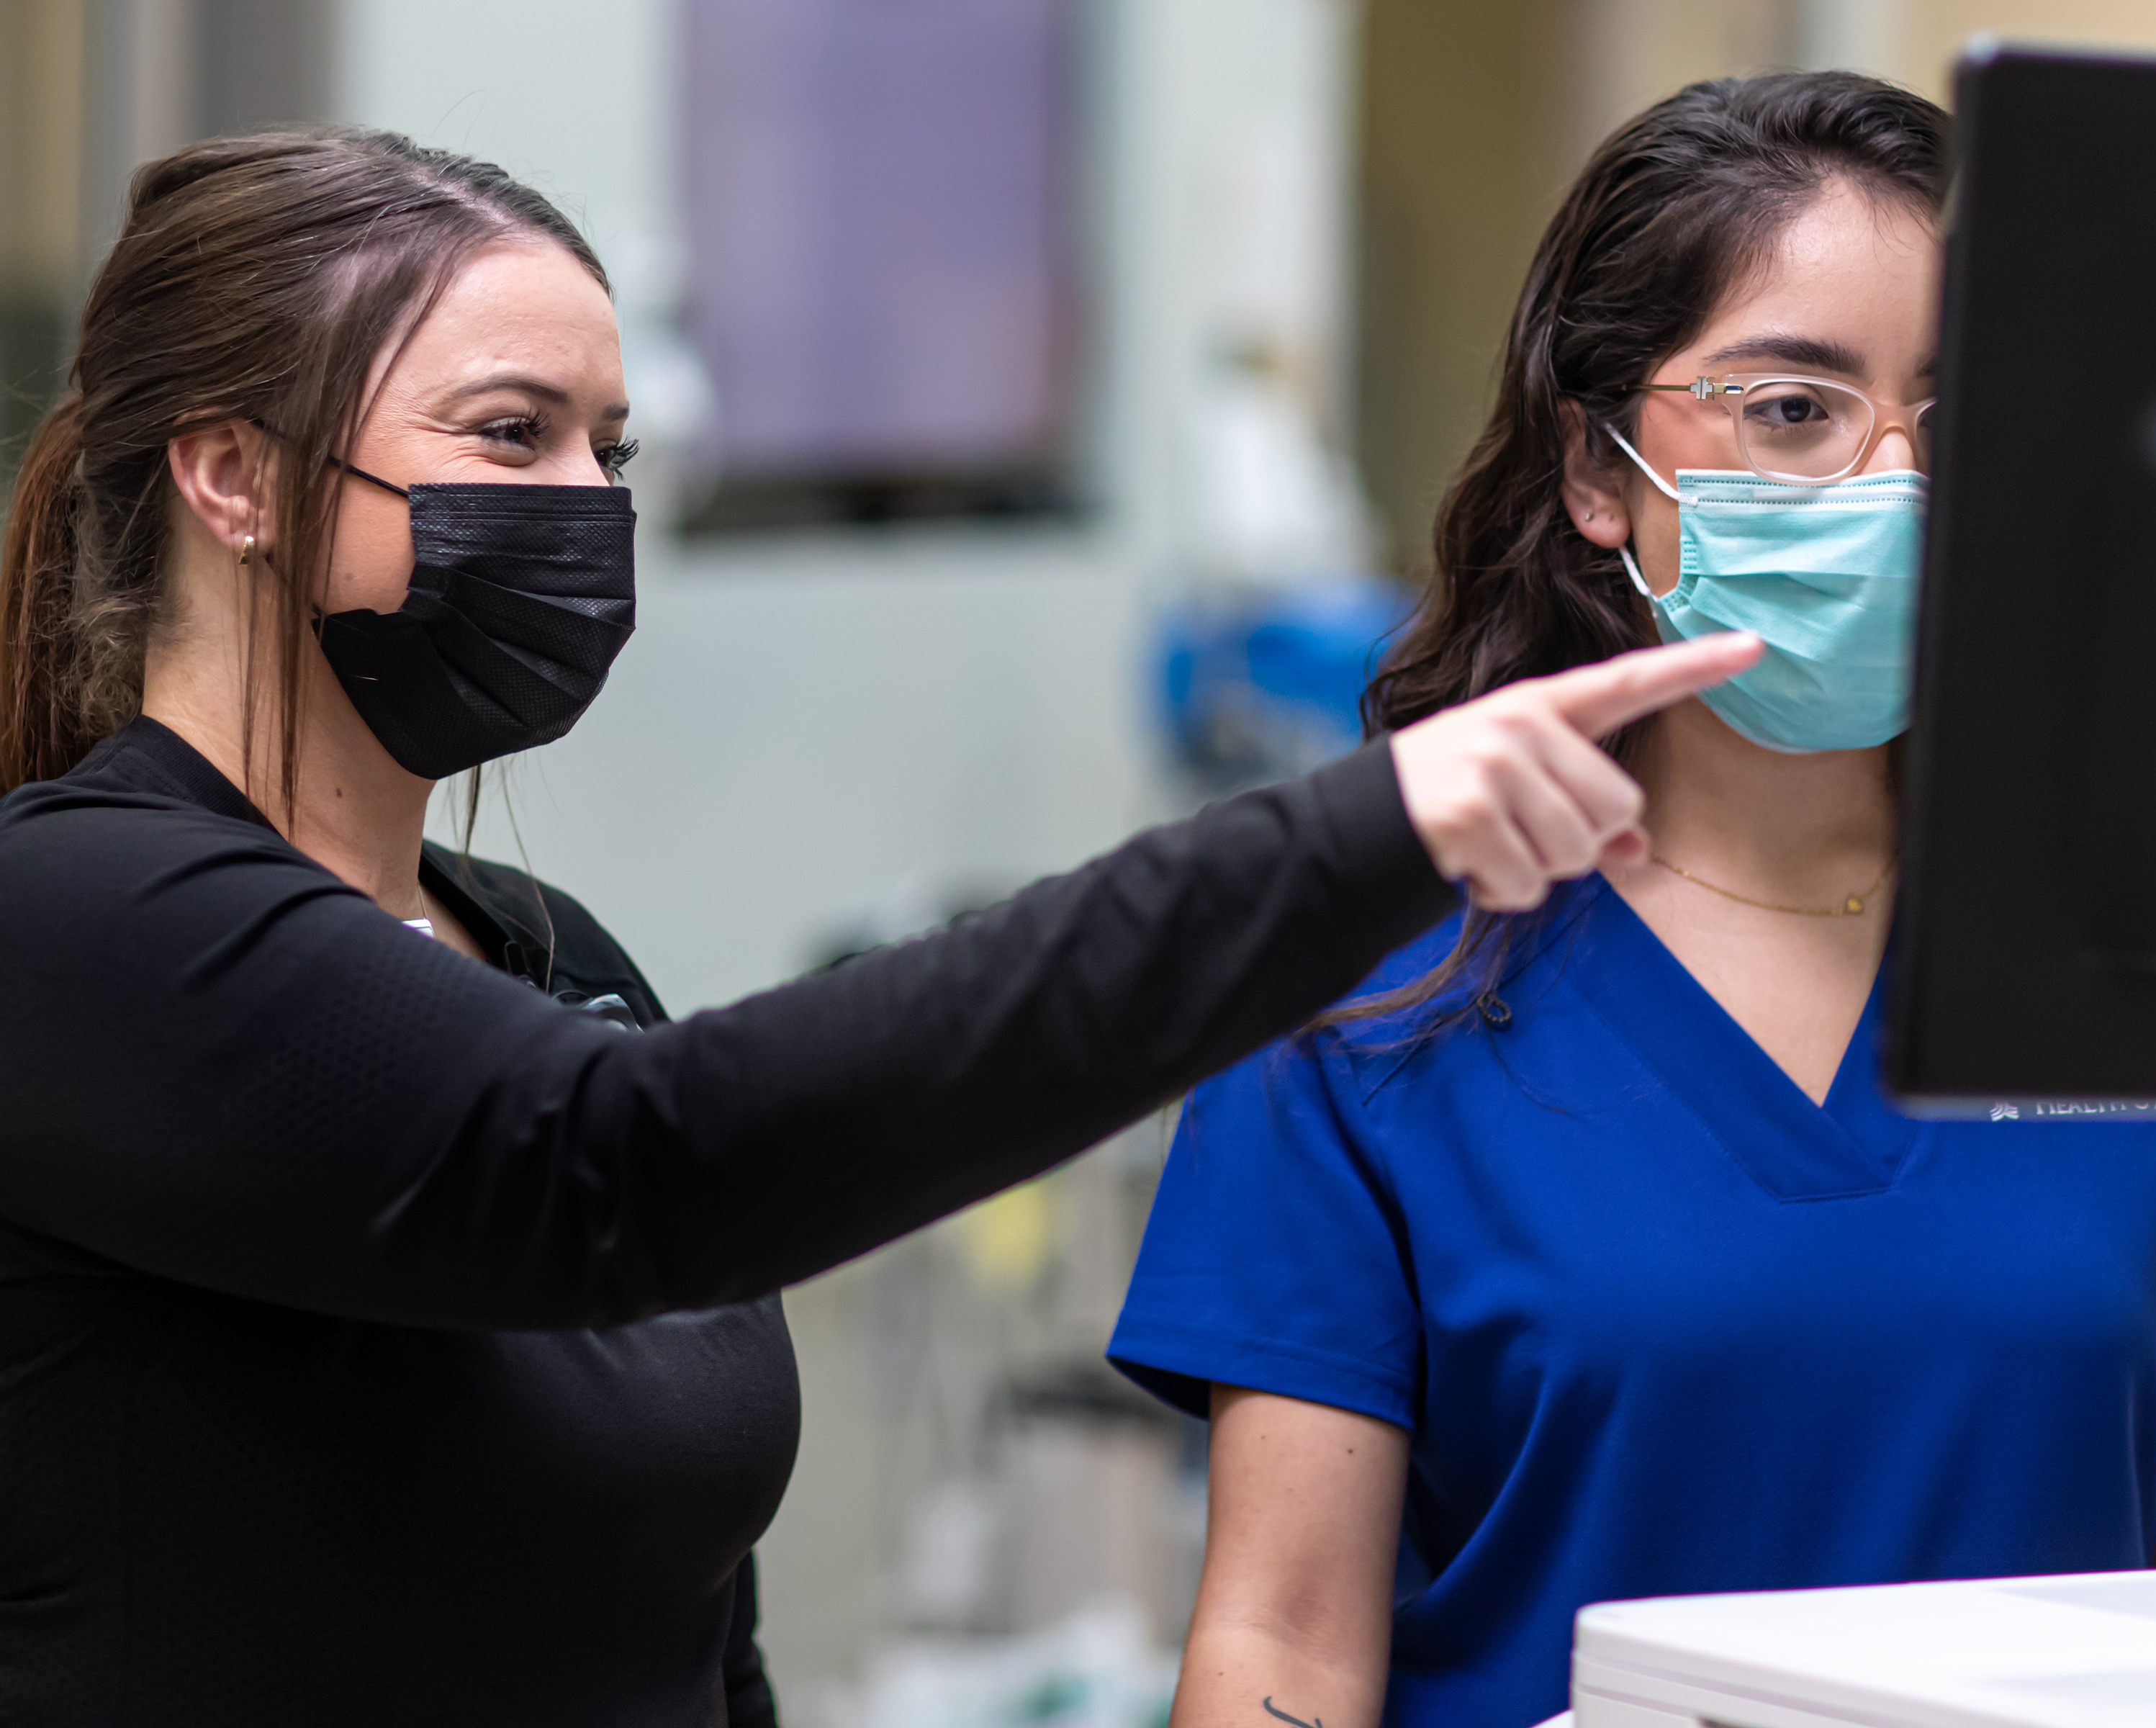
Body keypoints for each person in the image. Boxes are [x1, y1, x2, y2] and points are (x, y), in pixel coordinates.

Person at [0, 128, 1755, 1727]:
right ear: (232, 476)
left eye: (613, 448)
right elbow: (637, 1167)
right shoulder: (69, 920)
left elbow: (703, 1625)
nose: (591, 507)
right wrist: (1350, 844)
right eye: (512, 434)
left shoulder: (543, 953)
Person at [1109, 71, 2156, 1728]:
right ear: (1599, 469)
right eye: (1794, 409)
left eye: (1959, 416)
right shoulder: (1367, 989)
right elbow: (1282, 1646)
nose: (1894, 485)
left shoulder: (2144, 938)